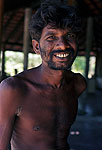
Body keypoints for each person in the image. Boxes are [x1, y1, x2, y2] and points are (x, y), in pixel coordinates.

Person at [0, 0, 87, 149]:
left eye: (70, 35)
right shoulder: (14, 89)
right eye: (51, 37)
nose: (63, 44)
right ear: (36, 47)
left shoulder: (77, 84)